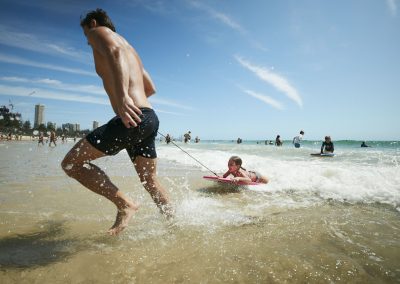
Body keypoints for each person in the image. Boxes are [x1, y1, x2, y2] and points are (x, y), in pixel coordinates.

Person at [61, 9, 172, 236]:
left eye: (86, 37)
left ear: (92, 23)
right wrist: (135, 105)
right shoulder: (133, 51)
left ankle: (125, 204)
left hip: (132, 118)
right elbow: (150, 88)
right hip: (148, 117)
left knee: (71, 163)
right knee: (149, 180)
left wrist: (123, 99)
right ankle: (173, 221)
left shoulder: (98, 31)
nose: (88, 42)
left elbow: (114, 51)